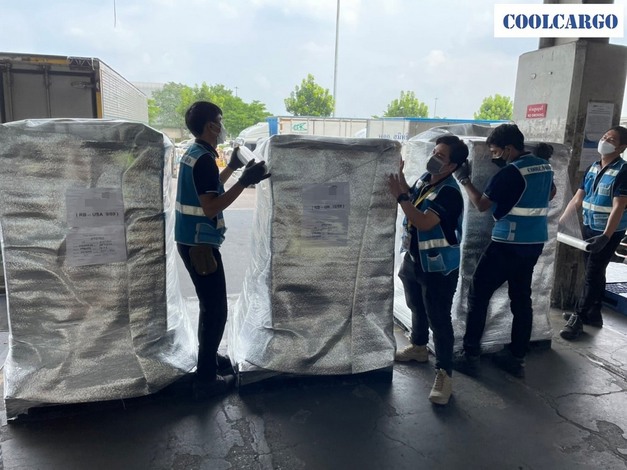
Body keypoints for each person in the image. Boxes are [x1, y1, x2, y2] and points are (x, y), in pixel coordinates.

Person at [175, 101, 270, 398]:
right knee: (216, 310)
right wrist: (244, 182)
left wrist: (232, 168)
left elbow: (210, 187)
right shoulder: (203, 159)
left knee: (209, 305)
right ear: (211, 126)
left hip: (191, 240)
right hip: (200, 245)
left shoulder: (196, 153)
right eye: (220, 120)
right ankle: (206, 379)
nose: (222, 125)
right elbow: (211, 206)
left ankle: (210, 356)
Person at [453, 124, 555, 378]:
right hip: (533, 243)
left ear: (509, 149)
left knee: (478, 294)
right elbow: (550, 193)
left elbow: (481, 205)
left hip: (507, 244)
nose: (493, 155)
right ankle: (516, 356)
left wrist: (464, 180)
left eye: (496, 151)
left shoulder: (508, 174)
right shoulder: (543, 166)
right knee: (521, 299)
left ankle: (470, 354)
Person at [388, 135, 469, 405]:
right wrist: (400, 177)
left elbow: (423, 222)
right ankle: (419, 347)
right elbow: (412, 197)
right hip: (416, 259)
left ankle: (444, 374)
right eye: (434, 152)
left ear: (453, 166)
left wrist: (400, 196)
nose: (433, 158)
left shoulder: (450, 193)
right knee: (416, 305)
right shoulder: (427, 179)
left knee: (439, 319)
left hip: (439, 267)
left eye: (441, 156)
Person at [560, 126, 627, 339]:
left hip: (608, 232)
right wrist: (560, 223)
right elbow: (578, 199)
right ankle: (594, 313)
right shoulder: (593, 167)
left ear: (622, 147)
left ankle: (578, 317)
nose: (605, 140)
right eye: (605, 136)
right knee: (595, 271)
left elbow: (619, 206)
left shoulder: (623, 171)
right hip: (589, 227)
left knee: (591, 273)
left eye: (611, 139)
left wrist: (606, 236)